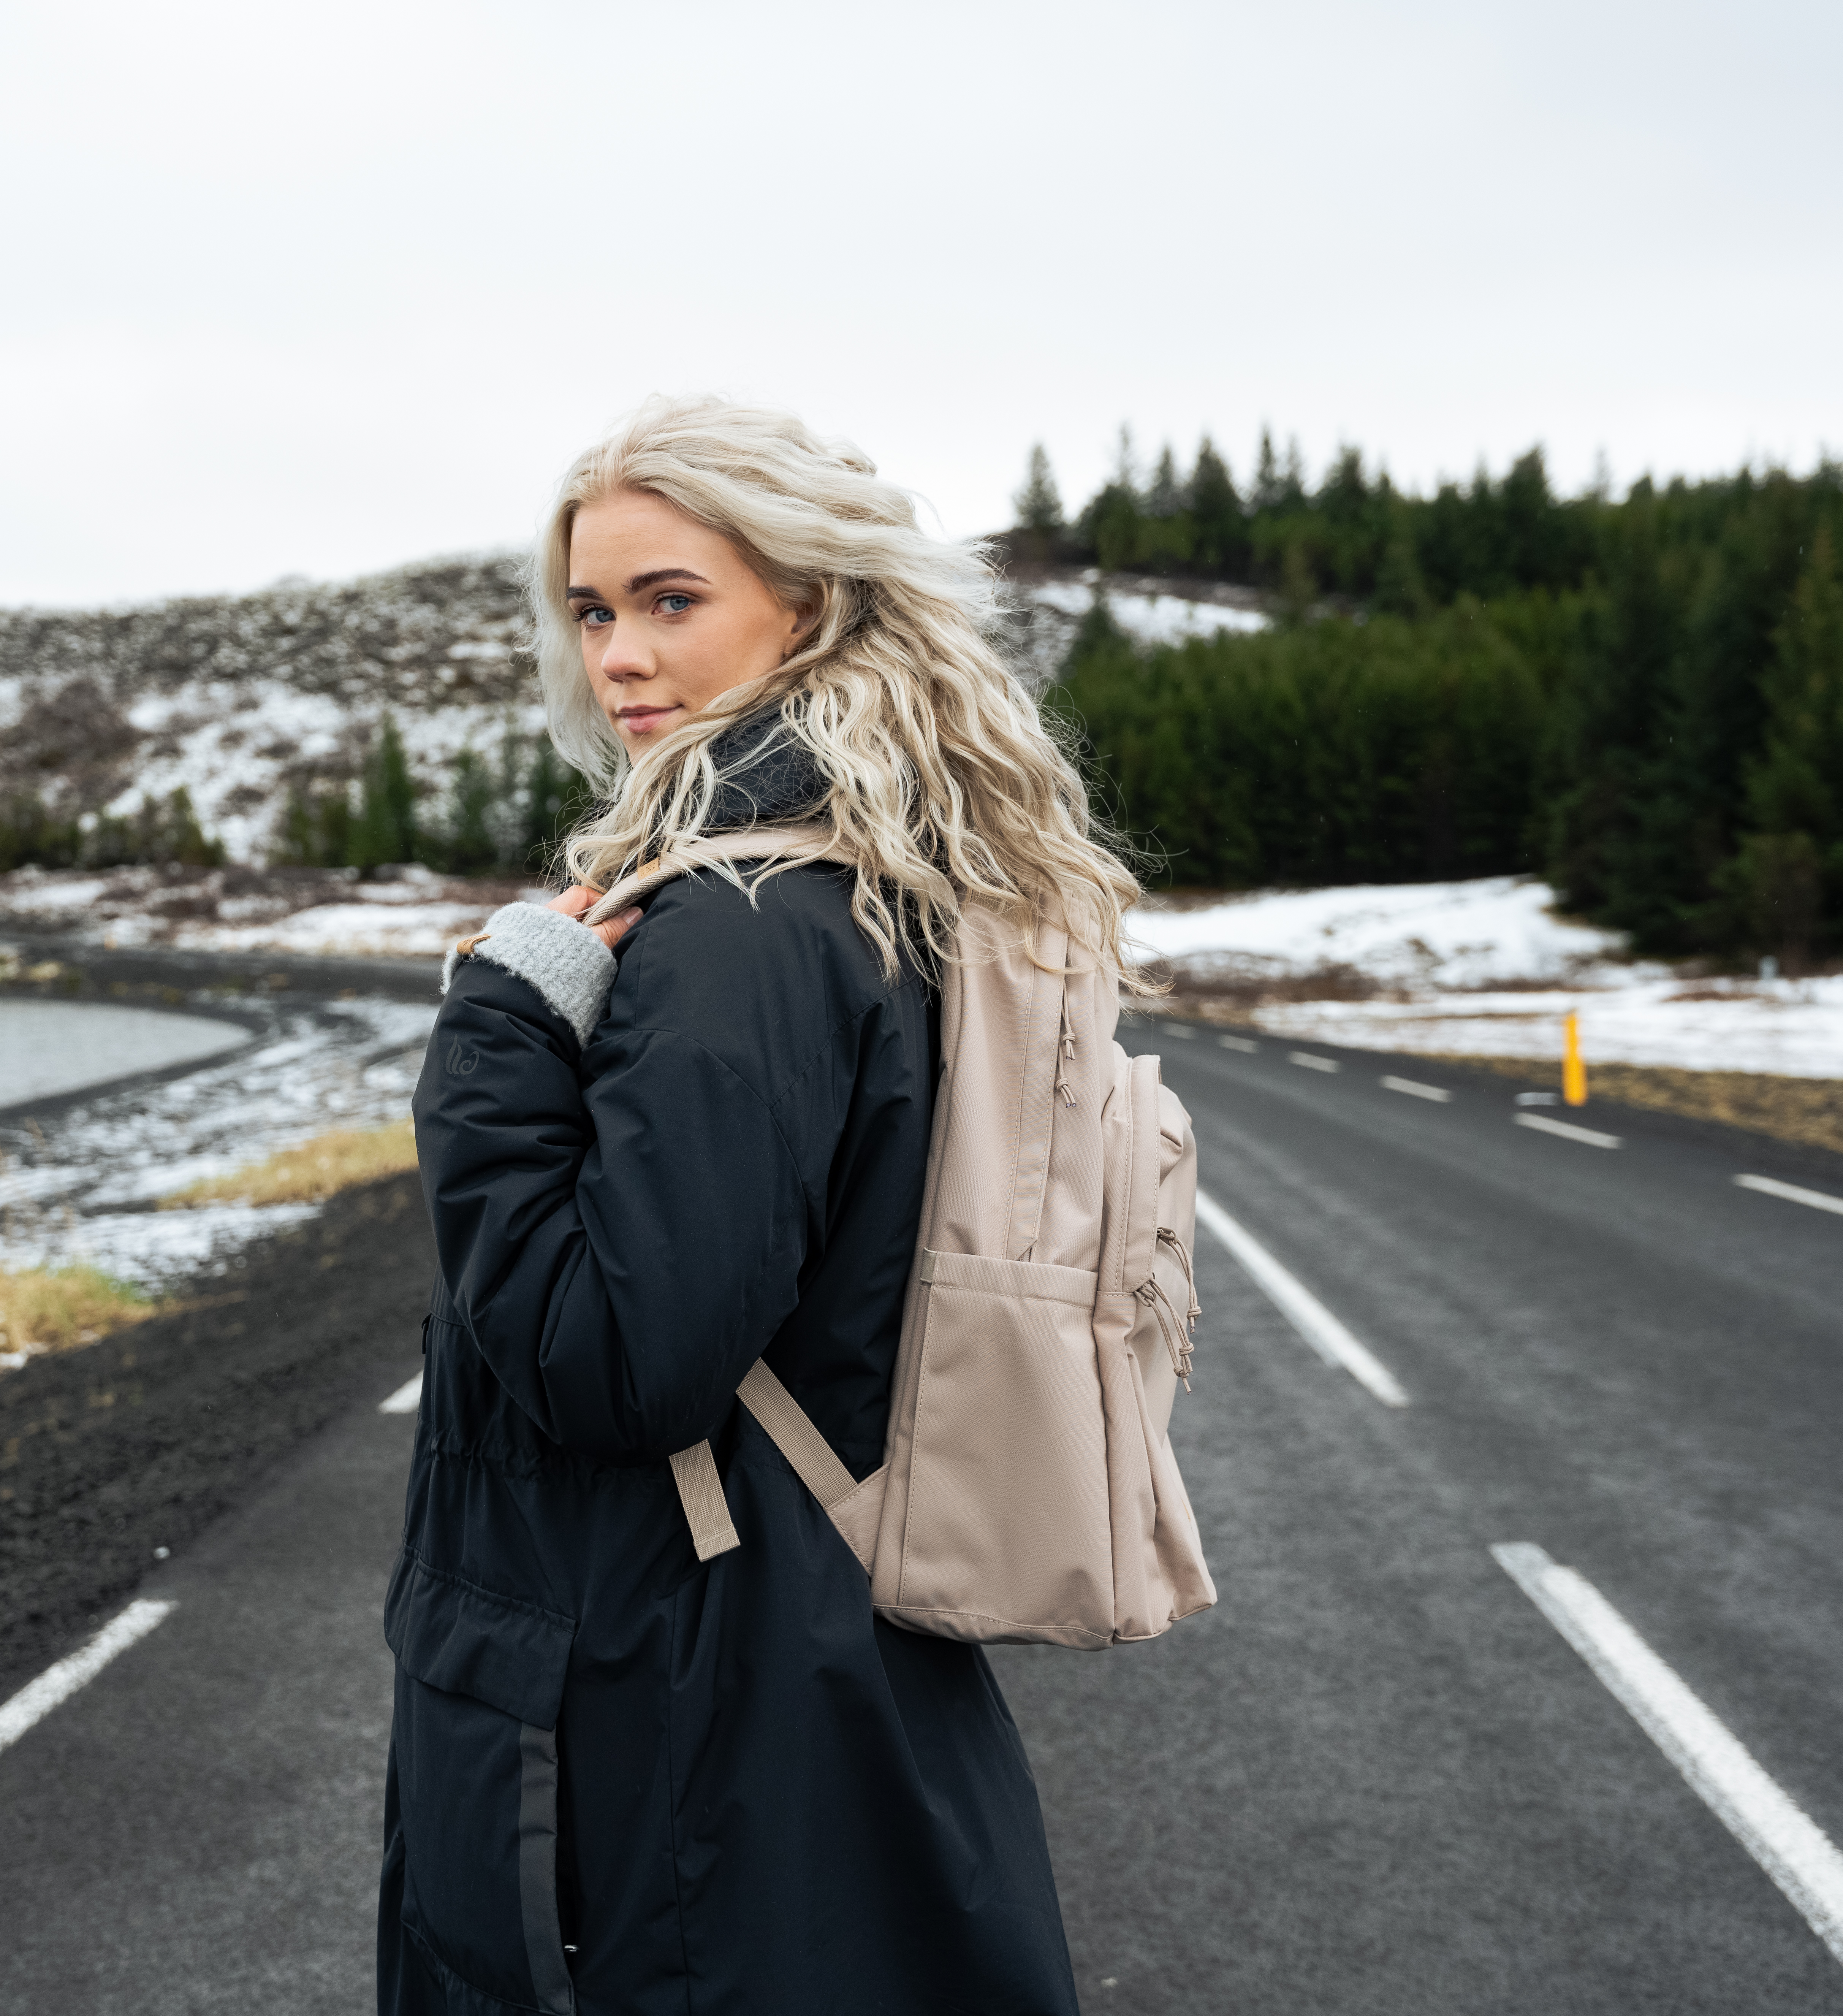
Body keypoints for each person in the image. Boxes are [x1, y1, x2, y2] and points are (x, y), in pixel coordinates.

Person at [383, 397, 1149, 2015]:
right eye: (593, 611)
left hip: (667, 1679)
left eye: (671, 602)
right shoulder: (873, 882)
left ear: (805, 603)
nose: (618, 659)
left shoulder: (743, 918)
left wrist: (493, 1039)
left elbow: (616, 1362)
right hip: (783, 1641)